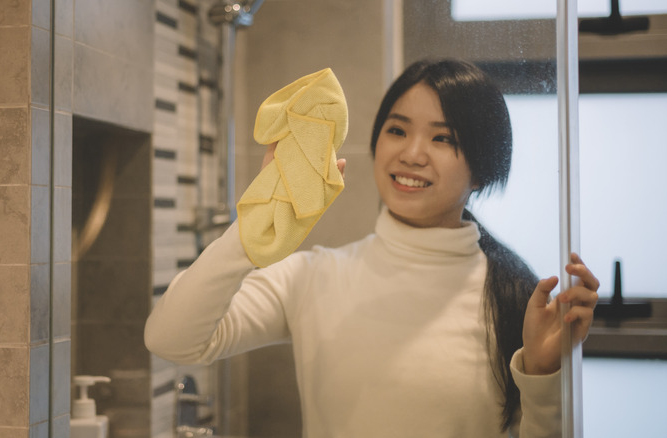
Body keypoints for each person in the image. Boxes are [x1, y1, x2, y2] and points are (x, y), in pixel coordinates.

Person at [144, 59, 599, 437]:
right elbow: (171, 340)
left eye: (443, 138)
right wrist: (258, 222)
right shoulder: (312, 277)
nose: (412, 153)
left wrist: (542, 377)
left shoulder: (516, 299)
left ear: (482, 169)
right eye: (397, 131)